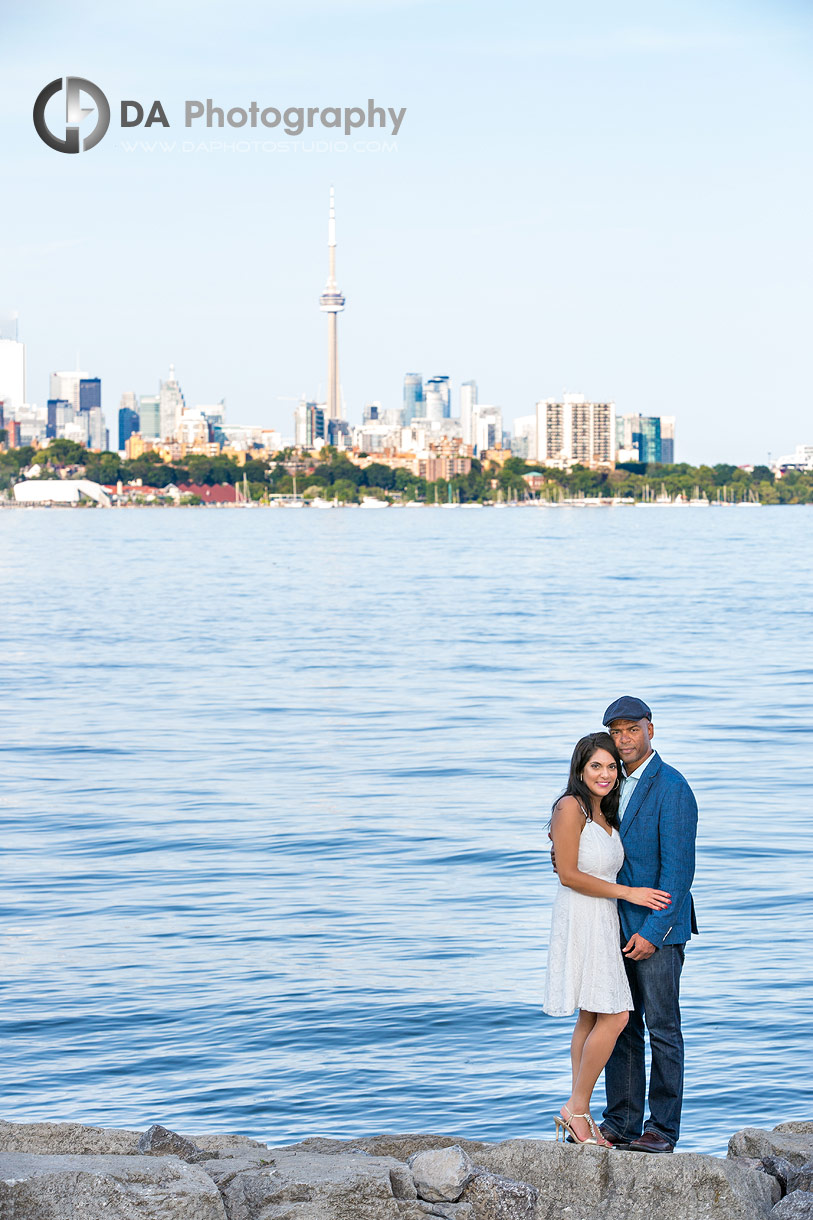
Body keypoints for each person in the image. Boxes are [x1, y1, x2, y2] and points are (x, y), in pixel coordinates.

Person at [543, 731, 671, 1146]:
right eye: (595, 765)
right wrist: (630, 893)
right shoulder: (571, 806)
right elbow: (568, 874)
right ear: (580, 769)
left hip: (603, 919)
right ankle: (577, 1110)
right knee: (616, 1016)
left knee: (592, 1015)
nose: (605, 773)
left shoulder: (604, 812)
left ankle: (578, 1111)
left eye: (611, 766)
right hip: (582, 917)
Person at [598, 696, 698, 1155]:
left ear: (650, 730)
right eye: (616, 732)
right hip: (613, 926)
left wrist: (653, 934)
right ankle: (620, 1122)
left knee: (662, 1028)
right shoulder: (609, 784)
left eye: (631, 730)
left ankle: (661, 1130)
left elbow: (678, 873)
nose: (624, 740)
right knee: (620, 1025)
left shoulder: (672, 787)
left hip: (659, 931)